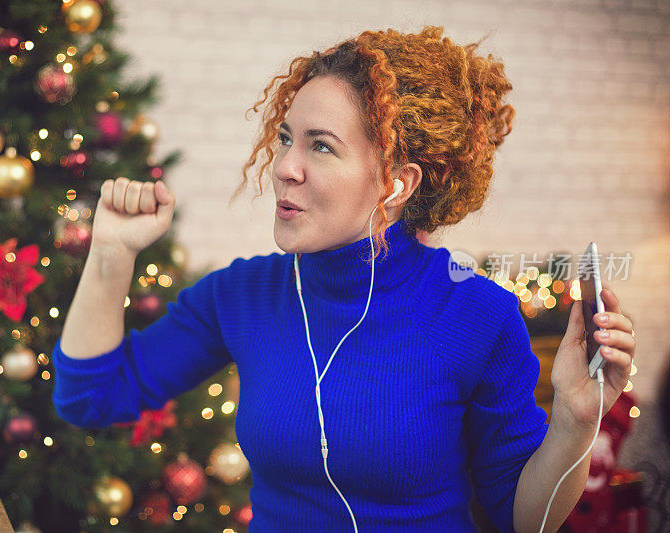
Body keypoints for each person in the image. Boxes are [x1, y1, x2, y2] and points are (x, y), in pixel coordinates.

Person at [51, 25, 637, 533]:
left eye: (321, 147)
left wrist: (575, 422)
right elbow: (89, 398)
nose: (284, 167)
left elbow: (523, 521)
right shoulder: (242, 297)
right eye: (285, 137)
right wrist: (110, 254)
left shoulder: (477, 315)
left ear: (396, 184)